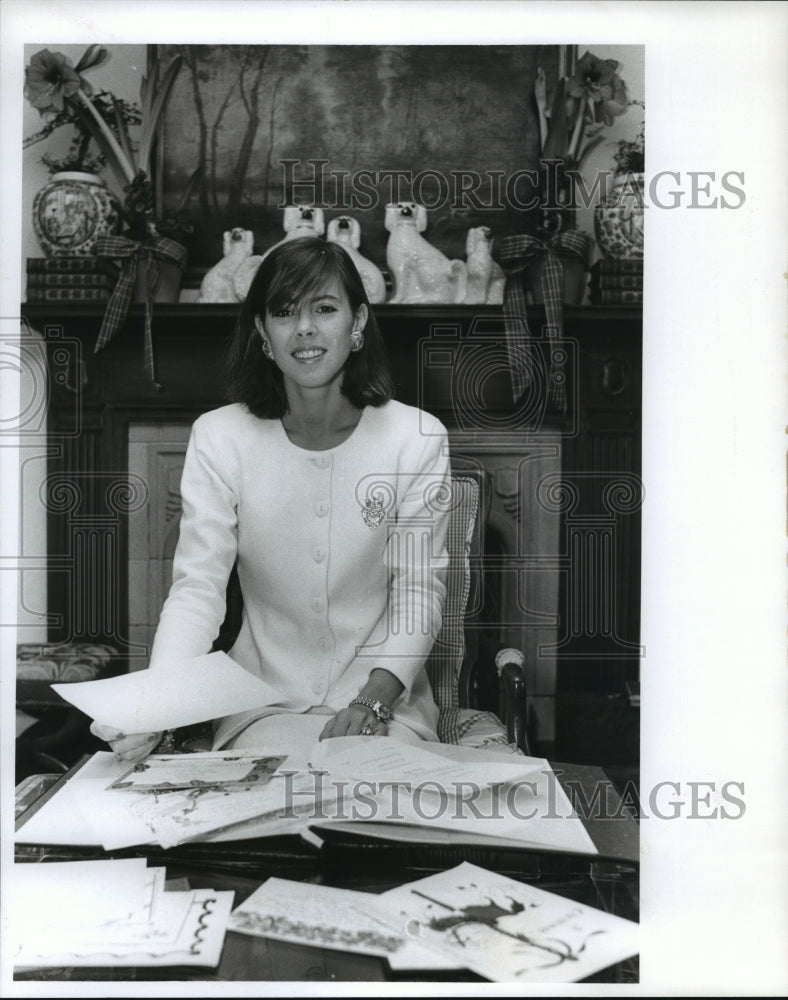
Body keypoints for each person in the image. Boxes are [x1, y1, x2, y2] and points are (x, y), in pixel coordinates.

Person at [92, 236, 451, 763]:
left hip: (384, 706)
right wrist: (156, 706)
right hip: (262, 705)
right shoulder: (220, 437)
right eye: (284, 312)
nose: (304, 328)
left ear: (358, 323)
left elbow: (419, 592)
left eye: (325, 309)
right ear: (263, 331)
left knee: (373, 798)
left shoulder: (416, 437)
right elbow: (198, 590)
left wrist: (373, 703)